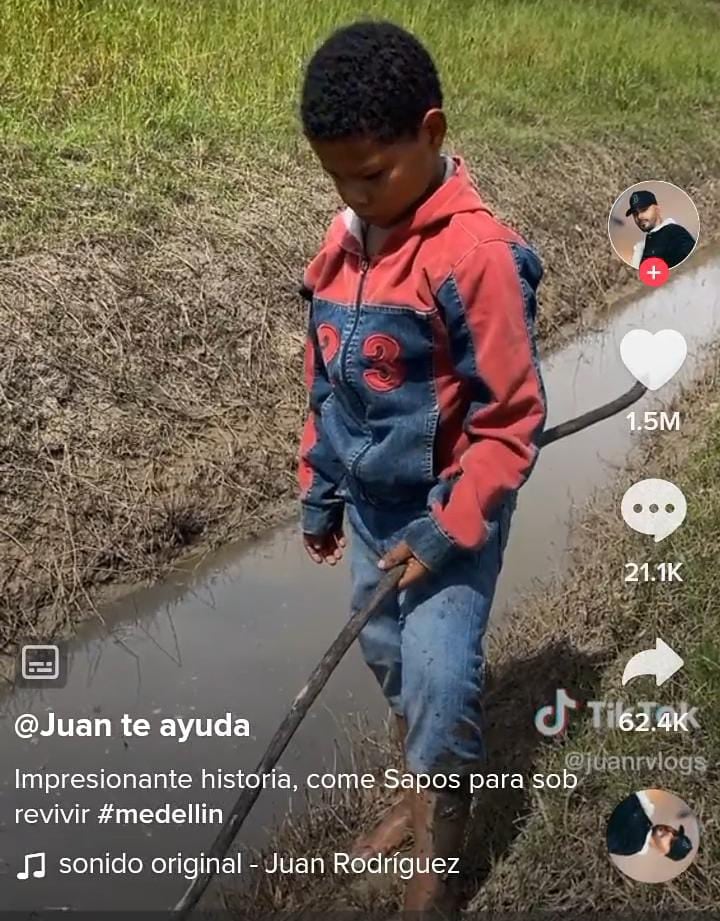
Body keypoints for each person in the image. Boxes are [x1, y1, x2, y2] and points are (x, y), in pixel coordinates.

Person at [297, 20, 546, 916]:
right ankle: (417, 787)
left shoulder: (474, 257)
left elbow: (513, 417)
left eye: (373, 175)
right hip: (370, 503)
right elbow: (327, 374)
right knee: (388, 651)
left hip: (452, 503)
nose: (357, 196)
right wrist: (320, 486)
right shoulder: (344, 239)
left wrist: (448, 528)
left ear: (432, 135)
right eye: (338, 177)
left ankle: (438, 851)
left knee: (441, 671)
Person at [607, 791, 693, 862]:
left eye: (671, 842)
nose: (669, 833)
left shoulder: (633, 845)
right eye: (675, 832)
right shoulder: (647, 809)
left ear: (662, 853)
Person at [627, 189, 696, 269]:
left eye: (644, 210)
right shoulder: (643, 245)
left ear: (657, 209)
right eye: (635, 214)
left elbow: (691, 266)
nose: (639, 217)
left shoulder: (675, 233)